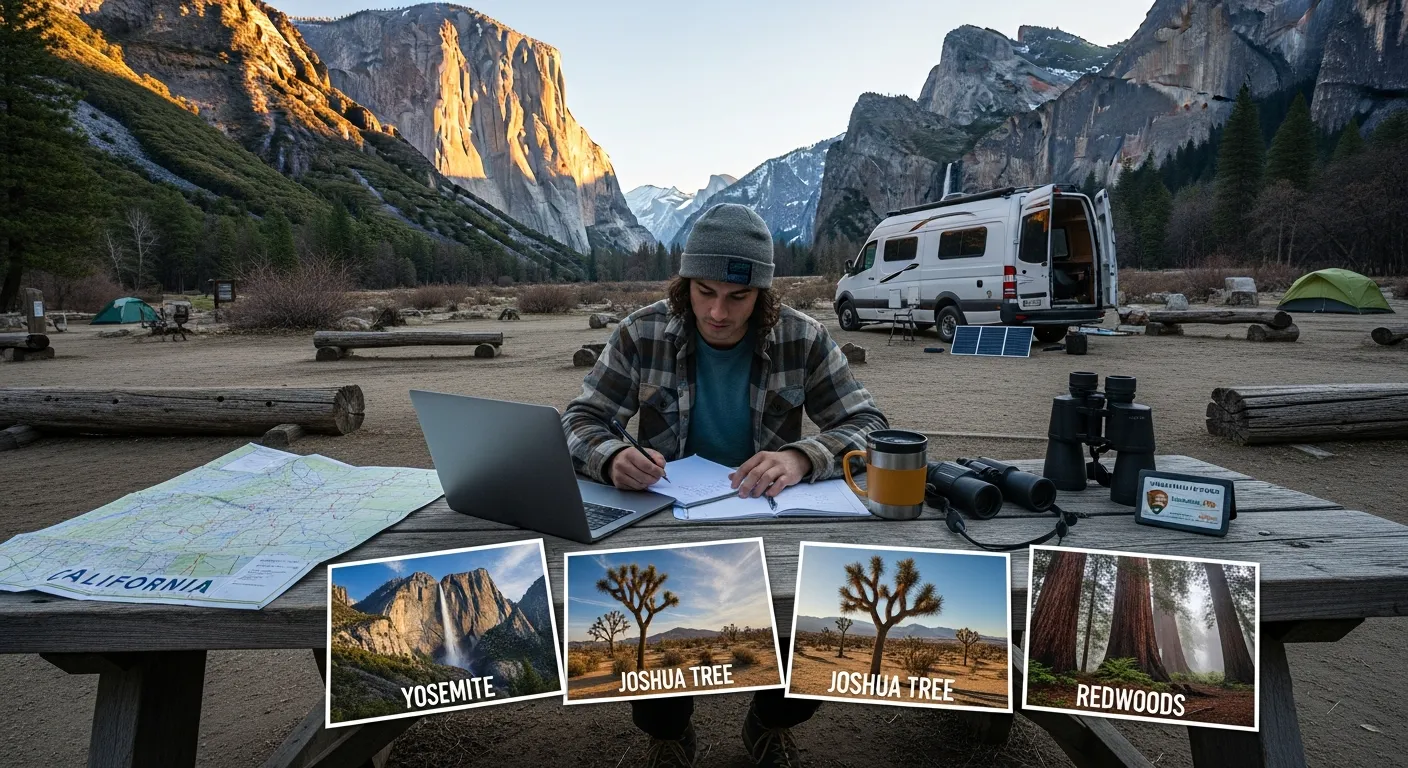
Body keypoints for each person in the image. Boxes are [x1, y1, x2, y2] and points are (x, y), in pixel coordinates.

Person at [562, 203, 889, 767]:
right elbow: (579, 421)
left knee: (810, 635)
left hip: (771, 522)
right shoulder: (641, 333)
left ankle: (769, 722)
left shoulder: (802, 338)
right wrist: (612, 455)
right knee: (653, 657)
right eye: (704, 292)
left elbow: (870, 426)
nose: (717, 312)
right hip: (665, 521)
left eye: (737, 298)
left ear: (762, 296)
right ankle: (668, 735)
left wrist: (804, 456)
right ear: (684, 283)